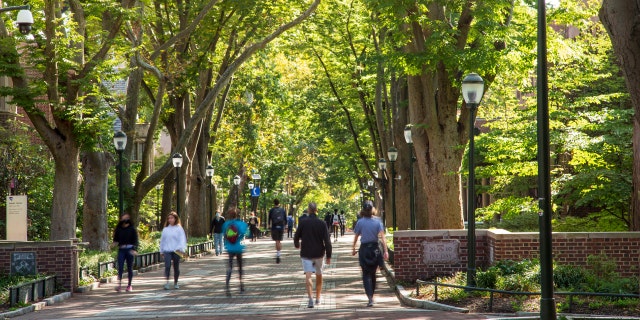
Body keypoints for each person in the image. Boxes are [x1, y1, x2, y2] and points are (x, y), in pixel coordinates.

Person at [294, 202, 332, 308]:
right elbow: (327, 241)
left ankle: (310, 299)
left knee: (308, 275)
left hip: (306, 253)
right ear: (316, 210)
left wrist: (297, 244)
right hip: (319, 253)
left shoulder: (303, 222)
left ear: (309, 210)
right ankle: (318, 298)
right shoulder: (322, 223)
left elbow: (296, 236)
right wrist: (329, 255)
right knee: (319, 274)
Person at [351, 200, 388, 307]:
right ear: (373, 210)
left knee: (366, 274)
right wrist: (385, 251)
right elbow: (383, 237)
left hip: (364, 250)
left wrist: (353, 248)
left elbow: (356, 237)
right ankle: (371, 295)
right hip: (375, 249)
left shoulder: (360, 222)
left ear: (363, 210)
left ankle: (370, 297)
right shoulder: (378, 222)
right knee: (373, 273)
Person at [222, 207, 249, 296]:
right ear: (237, 215)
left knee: (230, 267)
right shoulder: (242, 224)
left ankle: (227, 286)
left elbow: (224, 235)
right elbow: (247, 233)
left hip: (230, 248)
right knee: (240, 267)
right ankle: (241, 286)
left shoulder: (226, 224)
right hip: (239, 248)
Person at [160, 211, 187, 290]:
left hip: (176, 250)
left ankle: (176, 282)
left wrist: (181, 249)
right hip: (167, 250)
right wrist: (161, 251)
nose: (170, 220)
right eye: (169, 218)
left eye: (172, 218)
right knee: (167, 266)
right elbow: (162, 240)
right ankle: (167, 282)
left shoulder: (179, 228)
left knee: (176, 267)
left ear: (175, 219)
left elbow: (182, 239)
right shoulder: (166, 229)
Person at [112, 213, 139, 292]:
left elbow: (135, 240)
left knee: (129, 267)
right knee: (120, 267)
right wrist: (113, 244)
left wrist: (134, 249)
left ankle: (129, 285)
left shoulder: (132, 229)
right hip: (121, 249)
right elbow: (116, 240)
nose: (125, 219)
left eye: (127, 218)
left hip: (130, 249)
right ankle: (119, 284)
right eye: (124, 218)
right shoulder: (119, 229)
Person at [268, 199, 287, 263]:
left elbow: (269, 219)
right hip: (281, 226)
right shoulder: (282, 210)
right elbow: (285, 219)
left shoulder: (271, 210)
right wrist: (285, 226)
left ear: (274, 203)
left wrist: (269, 225)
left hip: (274, 226)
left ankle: (278, 254)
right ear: (279, 203)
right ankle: (279, 254)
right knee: (279, 241)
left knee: (277, 241)